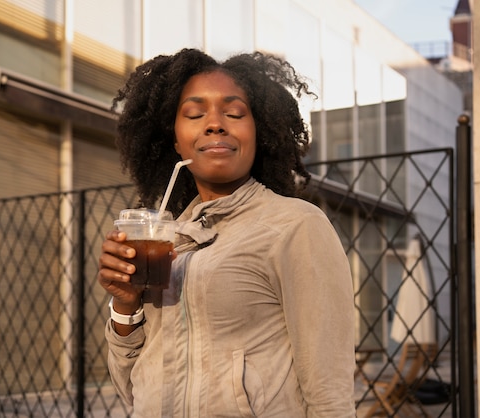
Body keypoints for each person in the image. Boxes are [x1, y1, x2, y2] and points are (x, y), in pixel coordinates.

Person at [97, 48, 355, 417]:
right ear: (175, 140)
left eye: (234, 113)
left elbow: (330, 392)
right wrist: (124, 305)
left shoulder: (295, 226)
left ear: (258, 131)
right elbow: (134, 388)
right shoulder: (167, 240)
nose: (215, 123)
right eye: (194, 113)